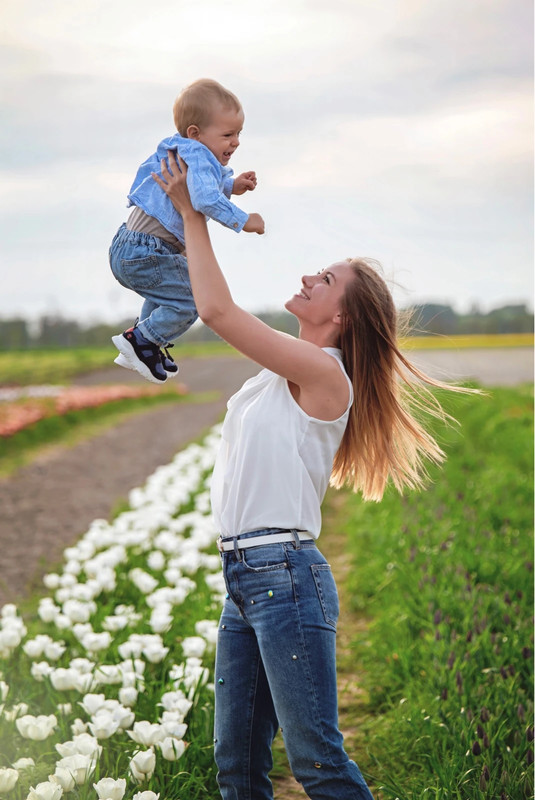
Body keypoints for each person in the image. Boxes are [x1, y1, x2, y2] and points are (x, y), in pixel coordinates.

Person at [152, 152, 466, 799]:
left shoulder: (323, 374)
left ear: (341, 318)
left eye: (323, 279)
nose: (306, 276)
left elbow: (215, 312)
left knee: (315, 757)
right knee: (236, 765)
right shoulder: (280, 372)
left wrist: (193, 212)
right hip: (244, 576)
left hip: (283, 576)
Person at [109, 78, 265, 384]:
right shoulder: (198, 154)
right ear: (195, 133)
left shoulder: (183, 150)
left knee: (173, 295)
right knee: (193, 299)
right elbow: (205, 198)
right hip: (147, 251)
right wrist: (244, 221)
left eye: (238, 134)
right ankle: (141, 339)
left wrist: (232, 186)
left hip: (131, 247)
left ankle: (147, 346)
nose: (235, 142)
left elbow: (201, 184)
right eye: (227, 134)